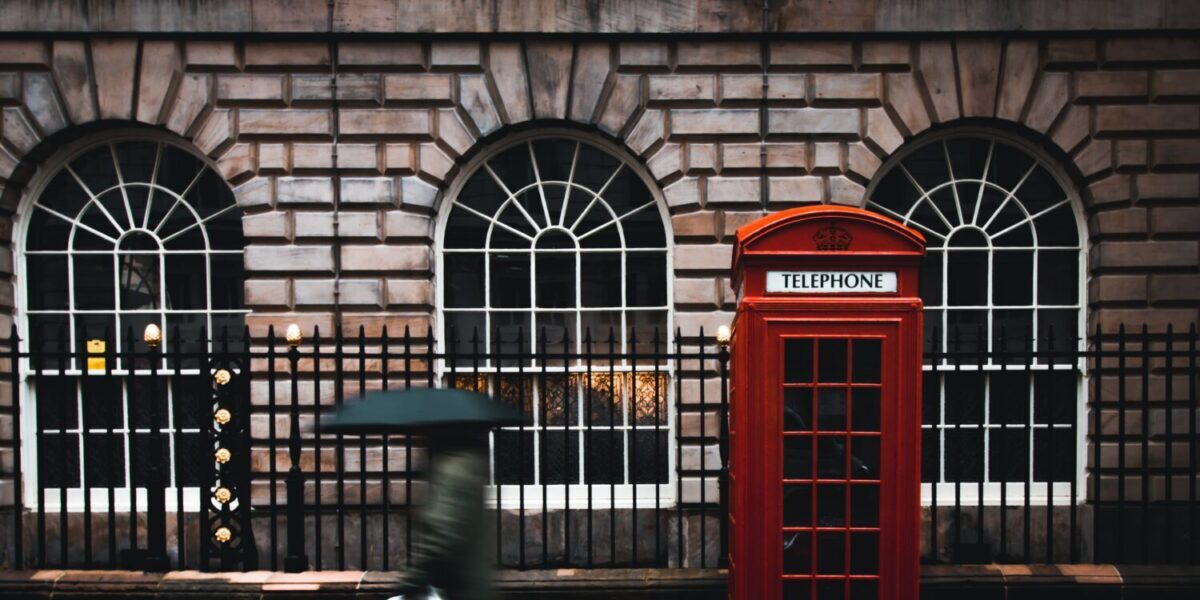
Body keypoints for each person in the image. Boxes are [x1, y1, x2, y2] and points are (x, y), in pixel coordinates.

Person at [391, 428, 493, 600]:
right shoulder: (467, 462)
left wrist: (411, 582)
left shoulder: (452, 469)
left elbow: (442, 537)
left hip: (457, 590)